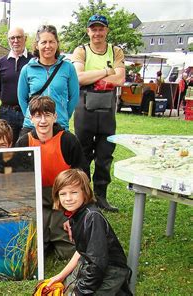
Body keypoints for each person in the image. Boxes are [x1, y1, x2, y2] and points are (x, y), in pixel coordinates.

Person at [16, 96, 86, 259]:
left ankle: (56, 235)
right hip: (37, 201)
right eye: (38, 116)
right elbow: (18, 183)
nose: (43, 121)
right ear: (31, 119)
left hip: (63, 201)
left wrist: (75, 214)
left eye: (47, 115)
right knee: (35, 248)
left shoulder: (68, 140)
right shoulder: (24, 142)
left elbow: (83, 177)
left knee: (67, 250)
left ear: (55, 116)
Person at [46, 169, 132, 295]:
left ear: (85, 193)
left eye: (74, 192)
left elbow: (97, 263)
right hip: (91, 263)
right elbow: (81, 251)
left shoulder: (92, 217)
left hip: (110, 270)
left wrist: (81, 292)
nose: (68, 198)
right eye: (63, 194)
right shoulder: (76, 215)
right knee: (66, 289)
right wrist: (61, 275)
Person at [71, 14, 126, 212]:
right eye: (93, 29)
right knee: (83, 155)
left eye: (101, 29)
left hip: (107, 111)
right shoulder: (81, 50)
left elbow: (120, 79)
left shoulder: (116, 51)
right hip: (84, 109)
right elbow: (78, 77)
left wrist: (94, 77)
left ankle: (101, 196)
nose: (97, 33)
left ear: (106, 31)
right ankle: (85, 197)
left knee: (105, 155)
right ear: (88, 31)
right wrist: (105, 72)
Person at [18, 24, 79, 136]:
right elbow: (22, 99)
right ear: (37, 45)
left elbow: (74, 97)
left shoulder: (68, 67)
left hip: (59, 124)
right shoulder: (27, 69)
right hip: (32, 126)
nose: (48, 46)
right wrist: (32, 116)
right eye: (44, 42)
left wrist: (63, 115)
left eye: (51, 42)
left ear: (57, 44)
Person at [0, 27, 33, 144]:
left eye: (19, 37)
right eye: (12, 38)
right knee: (6, 145)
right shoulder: (1, 63)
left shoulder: (34, 61)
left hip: (28, 111)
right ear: (8, 40)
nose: (15, 41)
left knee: (27, 145)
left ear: (25, 39)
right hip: (7, 112)